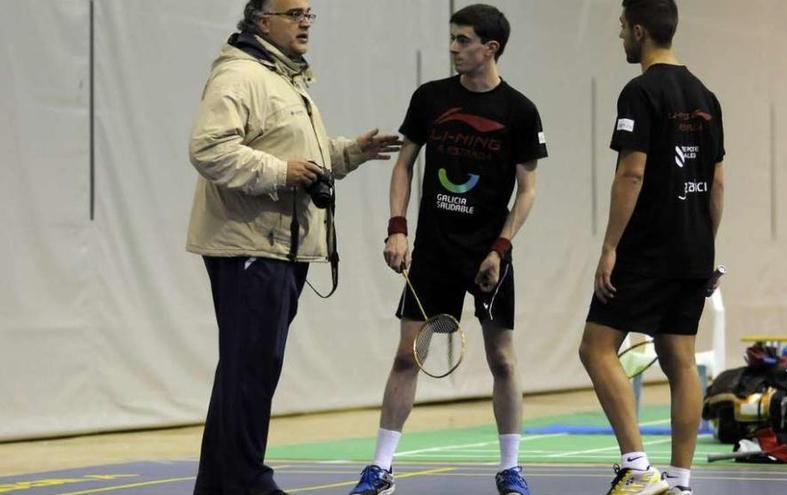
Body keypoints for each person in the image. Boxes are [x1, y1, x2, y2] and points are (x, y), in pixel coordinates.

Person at [186, 0, 401, 493]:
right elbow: (208, 148)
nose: (305, 21)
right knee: (251, 370)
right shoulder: (239, 76)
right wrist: (281, 173)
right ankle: (246, 481)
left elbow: (293, 150)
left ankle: (221, 485)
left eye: (309, 12)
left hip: (276, 246)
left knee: (248, 368)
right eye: (294, 12)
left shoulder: (283, 77)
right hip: (250, 247)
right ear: (262, 21)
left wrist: (348, 153)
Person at [349, 4, 548, 495]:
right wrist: (397, 227)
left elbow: (527, 190)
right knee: (406, 357)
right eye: (452, 40)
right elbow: (404, 165)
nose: (454, 48)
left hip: (487, 256)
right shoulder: (431, 98)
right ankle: (380, 469)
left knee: (502, 360)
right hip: (434, 251)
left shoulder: (520, 112)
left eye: (463, 41)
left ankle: (510, 469)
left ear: (490, 48)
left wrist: (500, 248)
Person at [578, 1, 725, 494]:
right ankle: (681, 482)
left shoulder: (640, 92)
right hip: (693, 249)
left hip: (646, 249)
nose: (620, 36)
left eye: (622, 28)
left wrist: (609, 248)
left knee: (596, 349)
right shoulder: (706, 94)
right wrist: (705, 247)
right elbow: (717, 182)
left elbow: (632, 171)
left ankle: (637, 467)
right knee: (679, 360)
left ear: (639, 31)